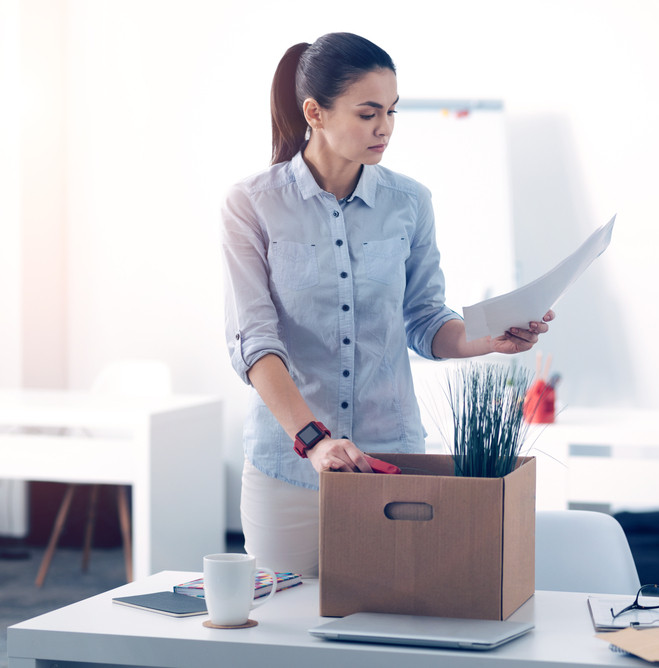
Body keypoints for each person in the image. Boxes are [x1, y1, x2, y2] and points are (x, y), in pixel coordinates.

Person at [220, 32, 553, 577]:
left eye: (392, 112)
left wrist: (488, 338)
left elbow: (425, 321)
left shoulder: (410, 202)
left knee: (393, 623)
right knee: (281, 638)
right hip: (289, 467)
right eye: (369, 112)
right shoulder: (252, 204)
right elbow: (254, 343)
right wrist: (315, 441)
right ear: (316, 113)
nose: (386, 128)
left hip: (392, 459)